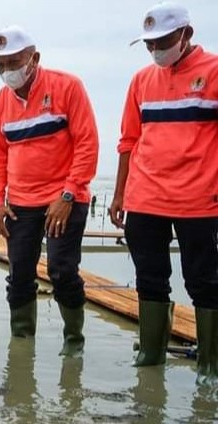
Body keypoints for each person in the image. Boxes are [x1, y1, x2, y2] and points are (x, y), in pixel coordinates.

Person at [109, 2, 218, 383]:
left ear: (186, 34)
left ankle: (210, 363)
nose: (155, 49)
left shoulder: (214, 71)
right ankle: (151, 355)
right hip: (145, 197)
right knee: (150, 277)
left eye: (163, 41)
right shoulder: (141, 80)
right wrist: (120, 193)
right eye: (149, 43)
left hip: (200, 199)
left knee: (203, 280)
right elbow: (128, 141)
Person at [0, 26, 99, 356]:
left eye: (14, 62)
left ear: (34, 58)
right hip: (20, 204)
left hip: (64, 199)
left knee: (61, 271)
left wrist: (68, 194)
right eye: (0, 65)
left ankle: (73, 342)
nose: (7, 71)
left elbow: (87, 144)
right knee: (19, 275)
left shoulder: (68, 87)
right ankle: (22, 345)